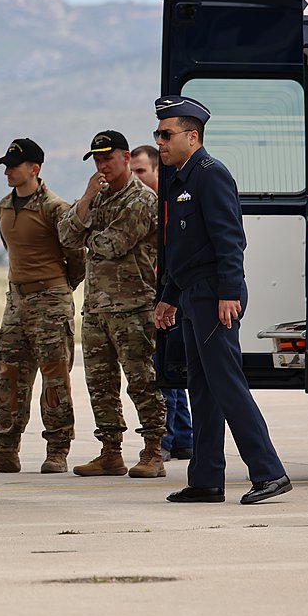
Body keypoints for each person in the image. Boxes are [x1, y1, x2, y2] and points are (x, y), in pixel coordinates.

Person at [153, 95, 292, 504]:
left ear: (192, 136)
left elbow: (229, 239)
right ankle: (207, 479)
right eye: (157, 134)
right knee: (202, 387)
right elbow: (182, 250)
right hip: (193, 294)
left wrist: (229, 292)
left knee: (227, 384)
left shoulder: (210, 175)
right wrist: (169, 297)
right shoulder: (179, 178)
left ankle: (269, 472)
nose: (160, 141)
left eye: (166, 134)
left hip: (216, 294)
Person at [0, 138, 85, 474]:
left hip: (50, 301)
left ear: (34, 168)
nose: (8, 170)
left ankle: (57, 449)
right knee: (10, 376)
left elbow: (77, 258)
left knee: (55, 378)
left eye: (14, 165)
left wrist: (57, 290)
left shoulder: (55, 208)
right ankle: (6, 449)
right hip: (16, 302)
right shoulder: (4, 207)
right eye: (5, 165)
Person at [59, 131, 166, 479]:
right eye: (97, 159)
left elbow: (111, 244)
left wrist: (87, 234)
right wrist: (88, 198)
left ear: (125, 157)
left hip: (134, 306)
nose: (102, 165)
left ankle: (153, 450)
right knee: (100, 385)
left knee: (142, 382)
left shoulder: (141, 200)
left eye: (108, 158)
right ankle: (110, 452)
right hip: (97, 309)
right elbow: (66, 235)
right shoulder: (100, 196)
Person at [132, 144, 193, 462]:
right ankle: (183, 437)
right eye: (133, 172)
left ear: (158, 170)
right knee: (168, 365)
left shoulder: (170, 204)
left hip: (172, 296)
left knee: (164, 368)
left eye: (141, 171)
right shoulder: (147, 206)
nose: (136, 178)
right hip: (160, 295)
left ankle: (168, 438)